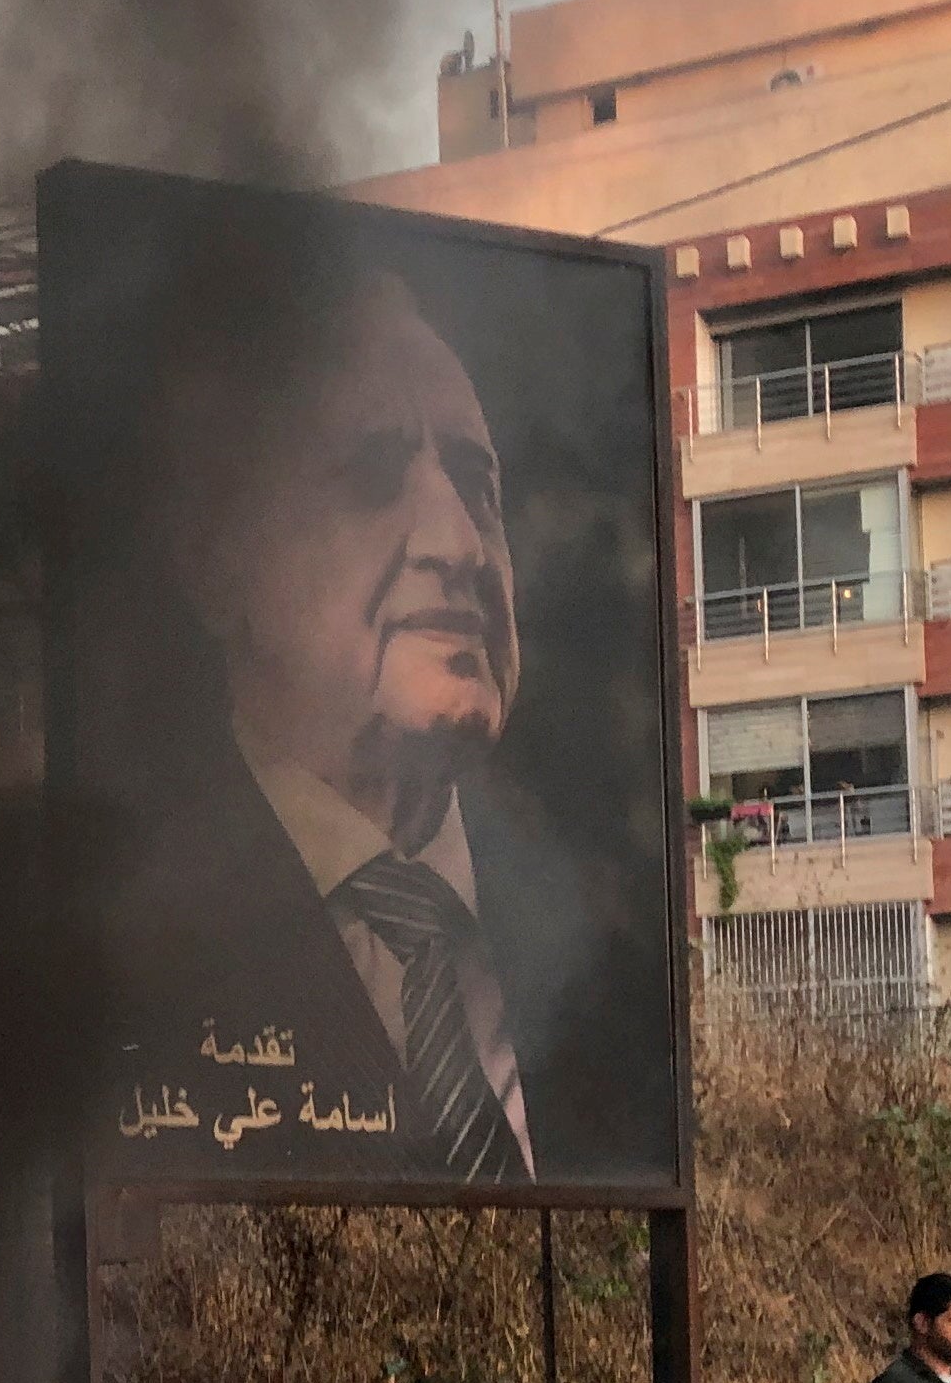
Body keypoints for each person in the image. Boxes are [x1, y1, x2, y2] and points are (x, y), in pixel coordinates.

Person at [100, 254, 649, 1186]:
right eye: (370, 474)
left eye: (478, 485)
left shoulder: (612, 944)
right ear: (219, 561)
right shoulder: (122, 945)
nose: (462, 543)